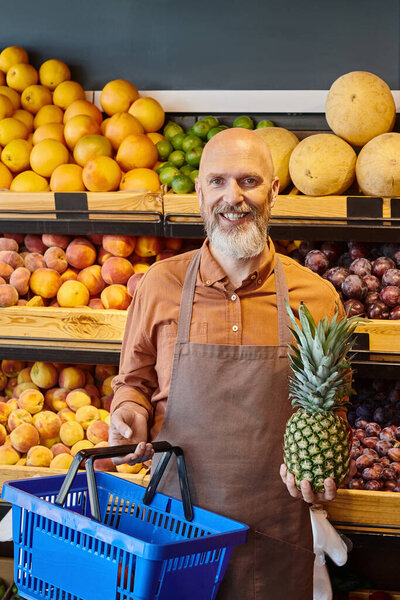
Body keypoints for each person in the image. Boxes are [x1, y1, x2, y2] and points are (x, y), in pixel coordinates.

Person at [110, 128, 347, 599]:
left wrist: (325, 476)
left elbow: (332, 414)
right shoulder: (160, 284)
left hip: (275, 534)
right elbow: (133, 381)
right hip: (173, 529)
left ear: (274, 191)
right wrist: (128, 415)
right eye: (217, 181)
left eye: (249, 181)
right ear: (199, 191)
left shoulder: (316, 298)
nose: (232, 197)